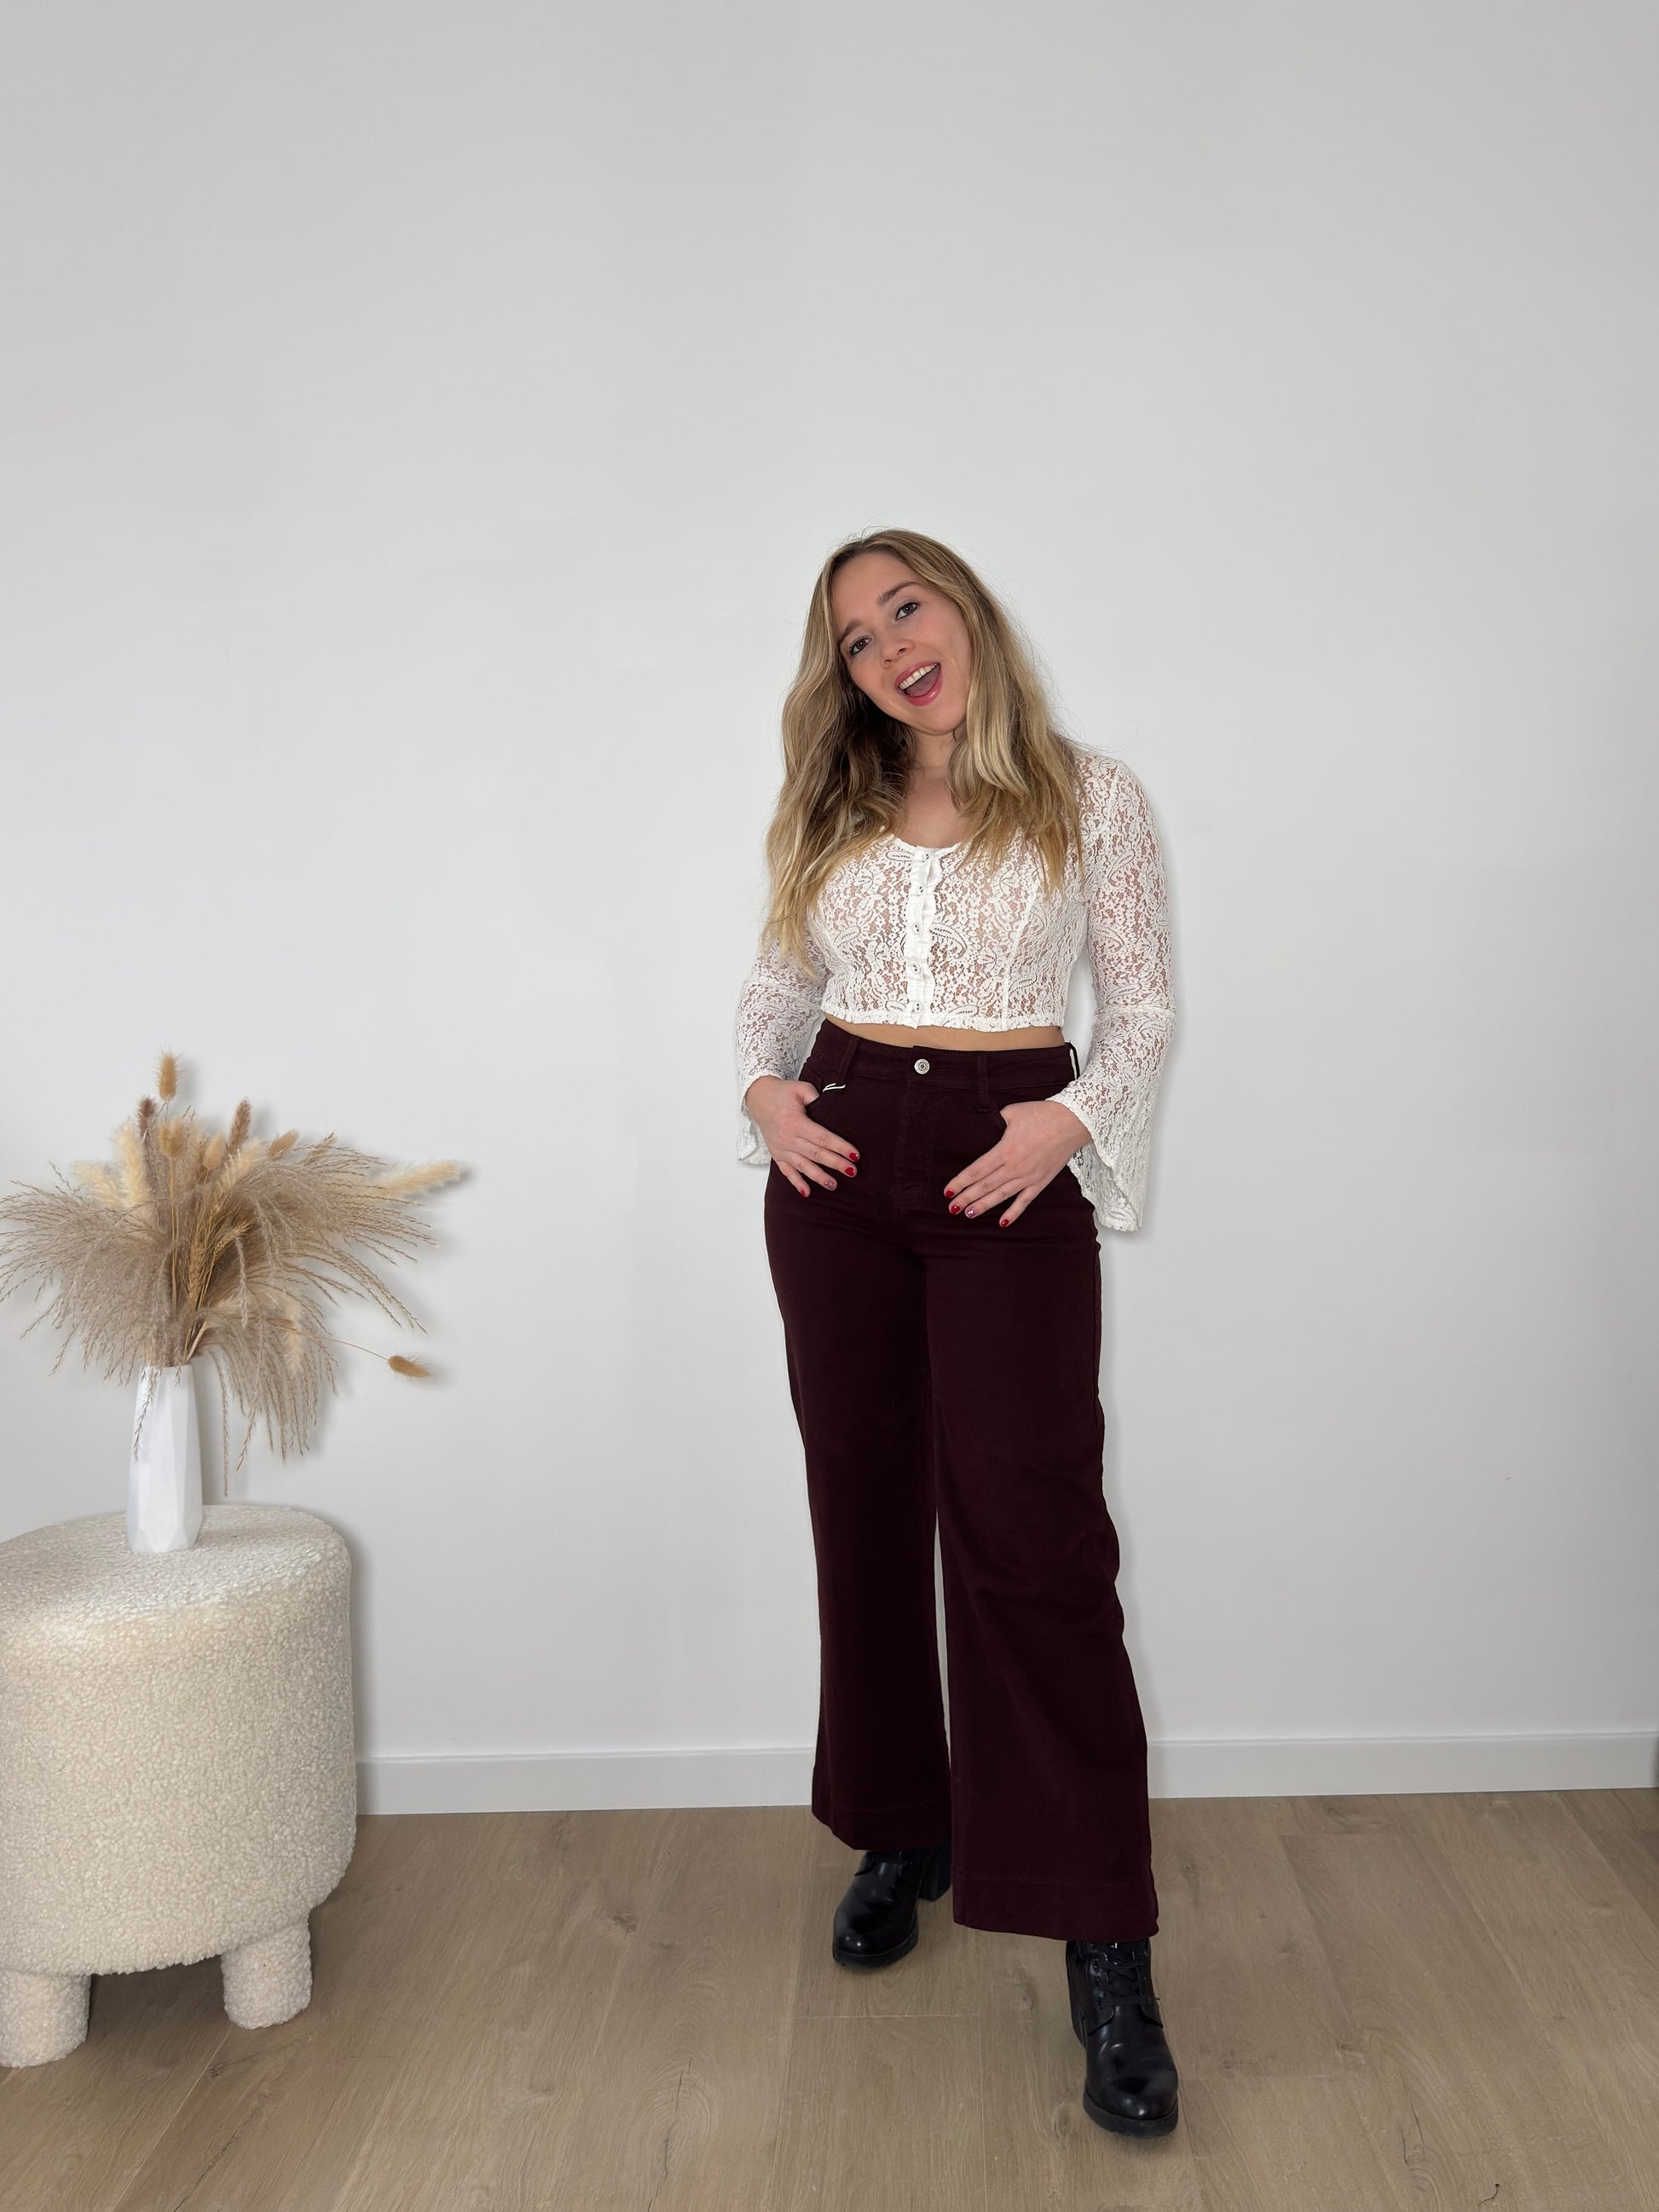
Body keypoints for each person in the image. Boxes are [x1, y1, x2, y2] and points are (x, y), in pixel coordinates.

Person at [732, 527, 1179, 2139]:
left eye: (903, 608)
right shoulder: (834, 803)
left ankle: (1103, 1939)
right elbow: (772, 989)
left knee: (1033, 1542)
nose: (887, 649)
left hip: (1006, 1155)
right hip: (840, 1158)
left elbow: (1139, 1006)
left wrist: (1067, 1120)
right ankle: (899, 1826)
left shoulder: (1088, 793)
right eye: (854, 639)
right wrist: (768, 1093)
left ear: (963, 608)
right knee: (862, 1513)